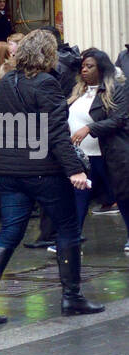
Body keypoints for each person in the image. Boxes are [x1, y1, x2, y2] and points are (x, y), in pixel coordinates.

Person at [0, 29, 103, 325]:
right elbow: (55, 133)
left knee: (9, 233)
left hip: (10, 171)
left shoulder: (6, 83)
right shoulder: (46, 84)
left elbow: (12, 128)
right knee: (68, 229)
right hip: (43, 172)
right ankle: (72, 297)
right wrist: (75, 169)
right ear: (48, 54)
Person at [68, 49, 129, 247]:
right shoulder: (78, 91)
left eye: (90, 66)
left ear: (101, 68)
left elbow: (118, 120)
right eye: (83, 66)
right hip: (83, 156)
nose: (84, 70)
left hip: (107, 153)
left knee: (123, 196)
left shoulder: (115, 90)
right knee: (78, 197)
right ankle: (72, 238)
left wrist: (89, 128)